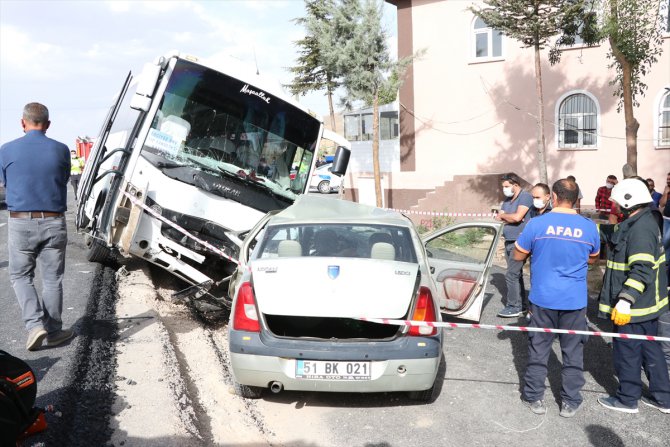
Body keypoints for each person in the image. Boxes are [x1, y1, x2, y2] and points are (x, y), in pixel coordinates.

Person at [514, 179, 600, 417]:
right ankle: (570, 402)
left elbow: (518, 254)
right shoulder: (588, 226)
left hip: (543, 299)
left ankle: (534, 398)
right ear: (576, 198)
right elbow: (593, 258)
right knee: (573, 353)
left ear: (553, 196)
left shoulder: (537, 224)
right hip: (574, 302)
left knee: (538, 349)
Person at [0, 103, 75, 351]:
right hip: (54, 221)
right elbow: (63, 179)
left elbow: (6, 182)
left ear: (23, 123)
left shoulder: (6, 150)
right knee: (53, 279)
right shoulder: (62, 150)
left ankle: (34, 326)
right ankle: (53, 331)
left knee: (21, 276)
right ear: (48, 124)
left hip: (21, 221)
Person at [596, 178, 670, 413]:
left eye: (616, 202)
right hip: (648, 306)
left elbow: (642, 269)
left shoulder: (641, 230)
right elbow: (617, 233)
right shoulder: (641, 220)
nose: (613, 206)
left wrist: (626, 301)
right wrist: (594, 227)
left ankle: (627, 399)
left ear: (628, 203)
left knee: (627, 351)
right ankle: (664, 398)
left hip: (635, 307)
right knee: (651, 350)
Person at [494, 173, 533, 317]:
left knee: (511, 274)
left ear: (515, 184)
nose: (504, 189)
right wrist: (509, 217)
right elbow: (500, 217)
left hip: (520, 241)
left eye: (506, 186)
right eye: (503, 186)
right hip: (509, 240)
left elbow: (517, 217)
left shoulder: (525, 197)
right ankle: (521, 304)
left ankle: (513, 306)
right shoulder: (507, 200)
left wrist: (508, 217)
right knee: (516, 275)